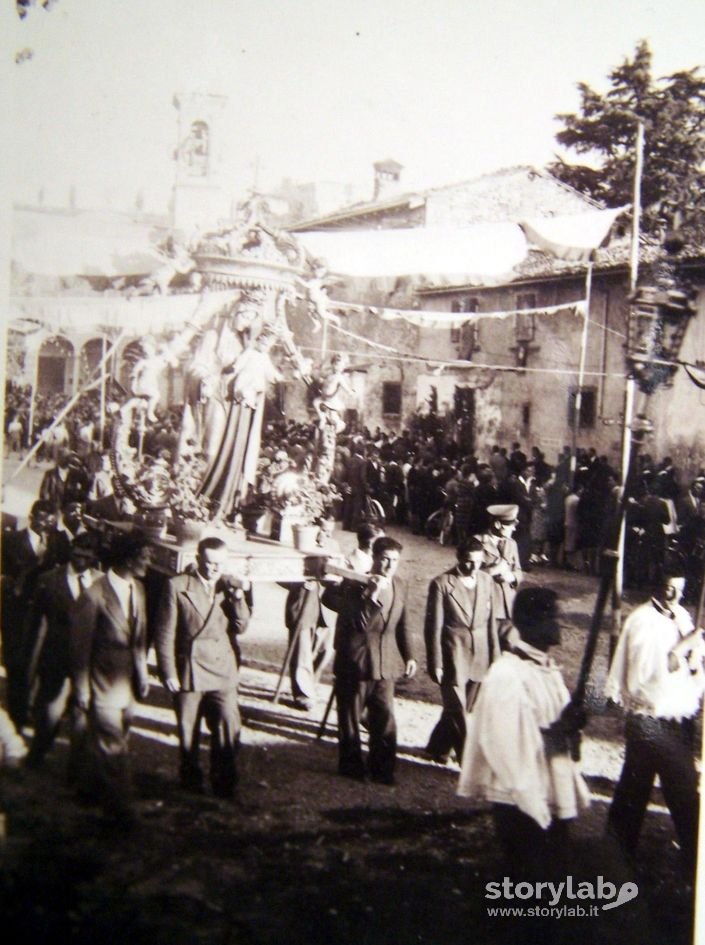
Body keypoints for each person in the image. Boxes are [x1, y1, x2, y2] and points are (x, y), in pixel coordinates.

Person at [458, 587, 591, 872]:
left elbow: (561, 738)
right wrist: (560, 730)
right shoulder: (507, 674)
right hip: (521, 799)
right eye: (555, 617)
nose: (561, 625)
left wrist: (572, 728)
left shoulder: (547, 671)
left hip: (549, 787)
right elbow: (506, 746)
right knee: (528, 879)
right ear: (531, 622)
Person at [604, 569, 705, 873]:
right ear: (656, 586)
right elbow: (651, 677)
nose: (674, 596)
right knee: (680, 788)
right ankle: (692, 852)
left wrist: (695, 653)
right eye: (668, 588)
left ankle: (617, 848)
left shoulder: (682, 617)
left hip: (676, 715)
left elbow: (692, 665)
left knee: (638, 785)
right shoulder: (643, 622)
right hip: (652, 717)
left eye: (679, 589)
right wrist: (682, 648)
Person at [155, 536, 252, 798]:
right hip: (190, 666)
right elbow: (164, 633)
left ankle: (224, 781)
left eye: (219, 564)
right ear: (198, 560)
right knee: (189, 728)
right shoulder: (177, 586)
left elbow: (242, 626)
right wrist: (168, 672)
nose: (213, 569)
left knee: (227, 722)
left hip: (222, 668)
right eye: (209, 563)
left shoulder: (230, 588)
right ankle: (191, 778)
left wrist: (238, 597)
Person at [69, 531, 153, 825]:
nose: (148, 562)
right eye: (144, 557)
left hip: (127, 682)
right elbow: (80, 647)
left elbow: (140, 638)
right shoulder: (94, 594)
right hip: (101, 683)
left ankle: (88, 790)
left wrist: (143, 672)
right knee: (113, 745)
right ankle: (124, 812)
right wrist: (82, 689)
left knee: (117, 738)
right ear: (128, 559)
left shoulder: (138, 589)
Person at [322, 536, 417, 784]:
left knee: (385, 717)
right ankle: (352, 766)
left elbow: (403, 624)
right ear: (374, 558)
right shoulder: (354, 584)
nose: (389, 565)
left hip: (385, 663)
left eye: (394, 560)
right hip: (357, 661)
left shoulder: (399, 584)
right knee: (351, 717)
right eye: (385, 559)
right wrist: (370, 596)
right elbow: (355, 620)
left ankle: (382, 769)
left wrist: (409, 655)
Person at [24, 533, 101, 771]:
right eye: (77, 555)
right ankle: (37, 755)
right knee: (49, 710)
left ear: (94, 557)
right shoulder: (50, 580)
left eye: (87, 557)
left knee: (82, 713)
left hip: (87, 660)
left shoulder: (101, 582)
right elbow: (35, 622)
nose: (81, 561)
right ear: (70, 552)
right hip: (55, 655)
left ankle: (75, 769)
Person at [424, 538, 504, 764]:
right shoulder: (442, 584)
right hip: (453, 653)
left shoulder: (487, 581)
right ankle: (467, 759)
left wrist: (495, 658)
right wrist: (436, 662)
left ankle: (437, 747)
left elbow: (491, 624)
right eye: (468, 562)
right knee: (457, 709)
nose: (473, 567)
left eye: (478, 562)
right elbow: (433, 627)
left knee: (461, 706)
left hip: (480, 653)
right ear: (459, 559)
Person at [1, 500, 62, 729]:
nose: (46, 524)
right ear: (32, 517)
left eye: (51, 520)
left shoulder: (58, 544)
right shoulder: (10, 541)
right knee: (16, 662)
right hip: (16, 612)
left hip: (45, 613)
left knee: (37, 662)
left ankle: (30, 708)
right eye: (42, 519)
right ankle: (17, 713)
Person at [279, 520, 343, 711]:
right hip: (304, 606)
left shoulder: (333, 547)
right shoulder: (300, 547)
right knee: (302, 653)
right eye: (323, 530)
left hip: (327, 609)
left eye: (330, 531)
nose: (327, 535)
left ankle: (310, 684)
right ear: (313, 529)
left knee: (325, 650)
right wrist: (300, 583)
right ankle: (302, 693)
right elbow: (279, 574)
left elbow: (339, 572)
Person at [476, 504, 523, 621]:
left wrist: (512, 577)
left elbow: (518, 571)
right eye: (511, 525)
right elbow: (467, 575)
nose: (514, 529)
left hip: (509, 604)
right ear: (497, 525)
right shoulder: (477, 543)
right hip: (487, 602)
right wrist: (492, 571)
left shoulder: (511, 543)